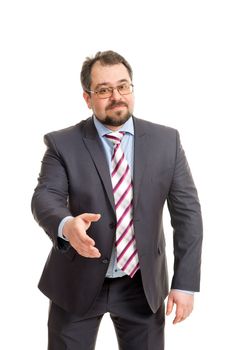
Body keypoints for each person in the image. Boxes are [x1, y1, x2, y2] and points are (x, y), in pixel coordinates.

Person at [31, 50, 203, 350]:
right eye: (104, 89)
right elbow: (46, 196)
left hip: (142, 284)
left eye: (123, 86)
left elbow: (188, 215)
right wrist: (67, 225)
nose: (116, 96)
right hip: (76, 281)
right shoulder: (62, 143)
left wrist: (184, 283)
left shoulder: (167, 142)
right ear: (87, 97)